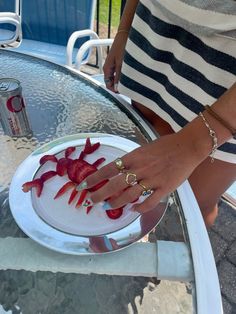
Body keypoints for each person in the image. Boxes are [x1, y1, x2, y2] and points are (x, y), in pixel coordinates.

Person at [79, 0, 236, 227]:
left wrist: (194, 143)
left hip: (223, 79)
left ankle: (177, 252)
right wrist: (124, 31)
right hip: (151, 39)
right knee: (150, 181)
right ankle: (148, 231)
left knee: (196, 204)